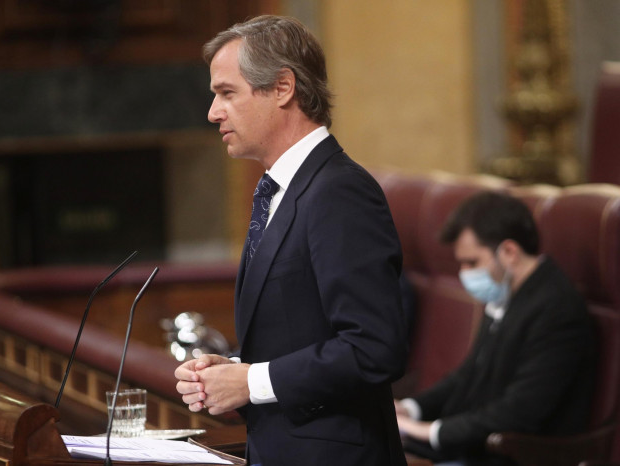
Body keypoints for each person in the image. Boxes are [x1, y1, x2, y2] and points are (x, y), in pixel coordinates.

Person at [174, 15, 409, 466]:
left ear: (282, 88)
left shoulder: (339, 190)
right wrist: (234, 371)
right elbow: (299, 330)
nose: (212, 112)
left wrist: (252, 381)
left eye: (227, 93)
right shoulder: (282, 189)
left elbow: (374, 347)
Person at [395, 191, 595, 466]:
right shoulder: (507, 292)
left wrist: (429, 431)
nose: (465, 273)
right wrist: (410, 408)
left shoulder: (557, 310)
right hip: (475, 446)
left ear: (509, 252)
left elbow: (520, 412)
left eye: (472, 262)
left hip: (516, 455)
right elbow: (469, 374)